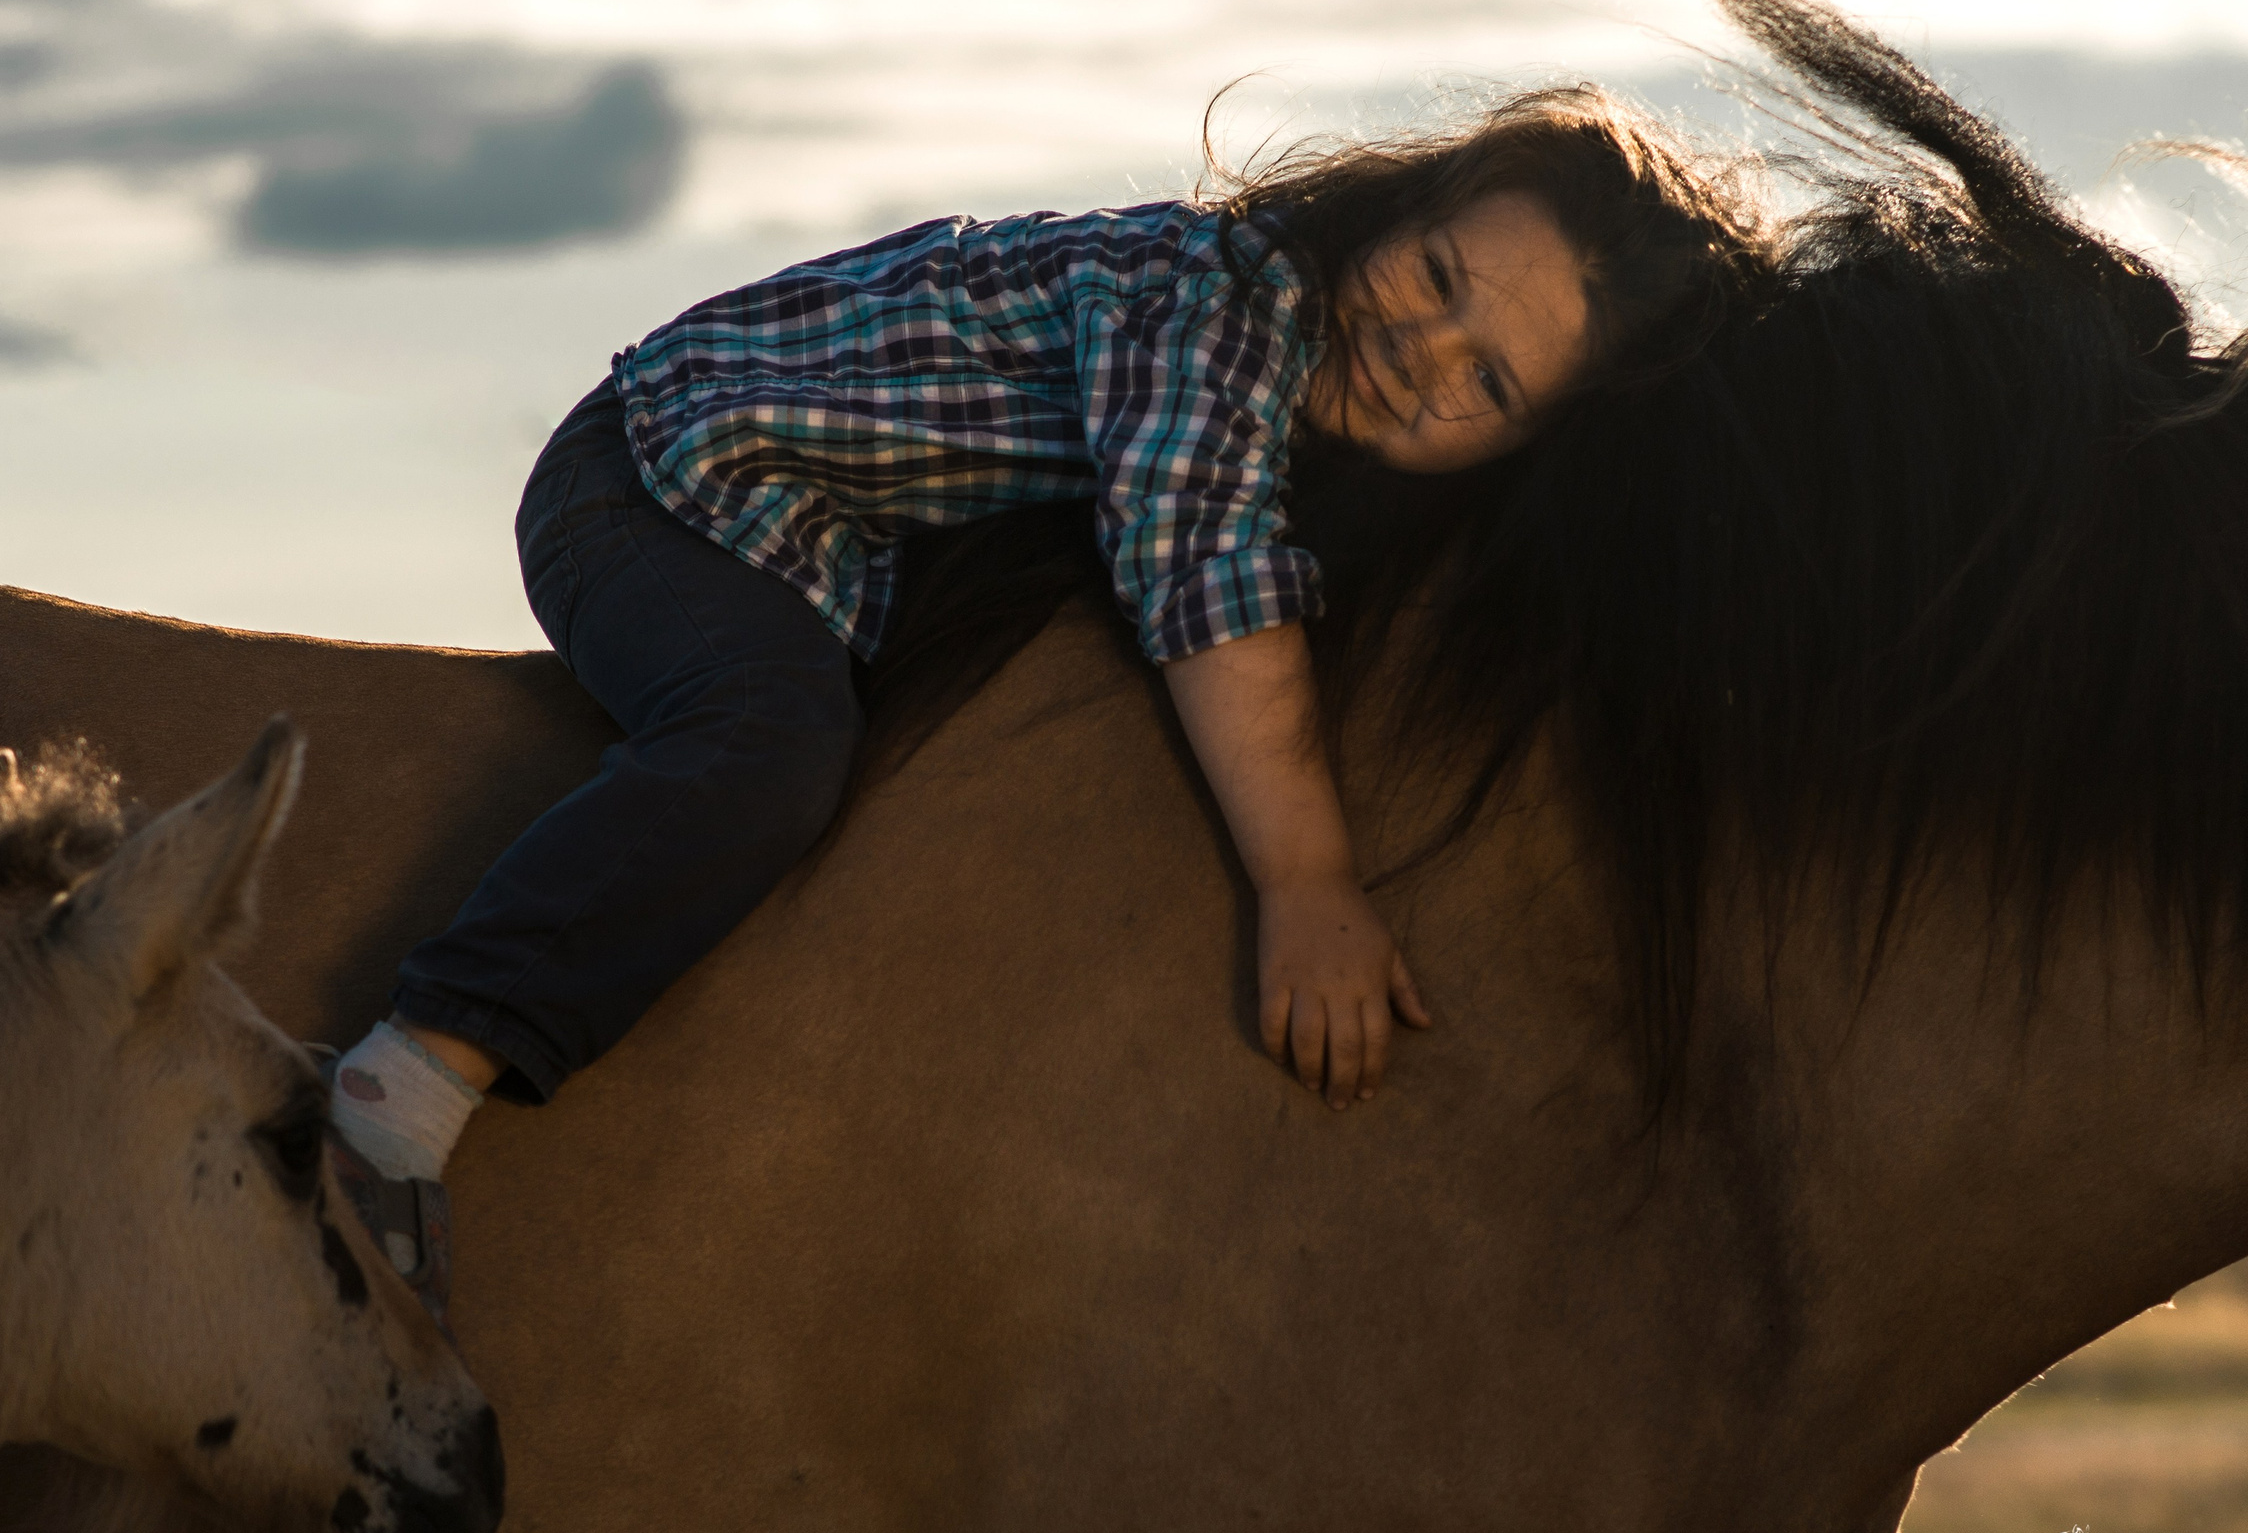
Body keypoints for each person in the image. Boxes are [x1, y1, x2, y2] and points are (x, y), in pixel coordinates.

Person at [321, 84, 1764, 1321]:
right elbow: (1201, 576)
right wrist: (1308, 876)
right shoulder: (1214, 309)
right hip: (660, 483)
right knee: (768, 748)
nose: (1422, 348)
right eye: (1439, 275)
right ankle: (411, 1072)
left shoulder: (1301, 415)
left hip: (803, 540)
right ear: (1404, 203)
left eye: (1489, 379)